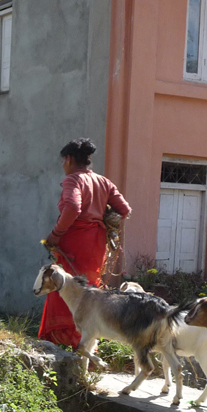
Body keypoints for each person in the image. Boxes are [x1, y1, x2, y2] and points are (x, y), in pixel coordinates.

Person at [38, 138, 132, 349]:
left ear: (69, 159)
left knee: (64, 291)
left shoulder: (73, 180)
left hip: (74, 244)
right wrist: (103, 216)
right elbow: (124, 210)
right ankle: (87, 343)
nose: (63, 166)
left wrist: (55, 235)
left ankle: (62, 344)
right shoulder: (103, 182)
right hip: (96, 246)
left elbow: (72, 207)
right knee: (89, 293)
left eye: (63, 161)